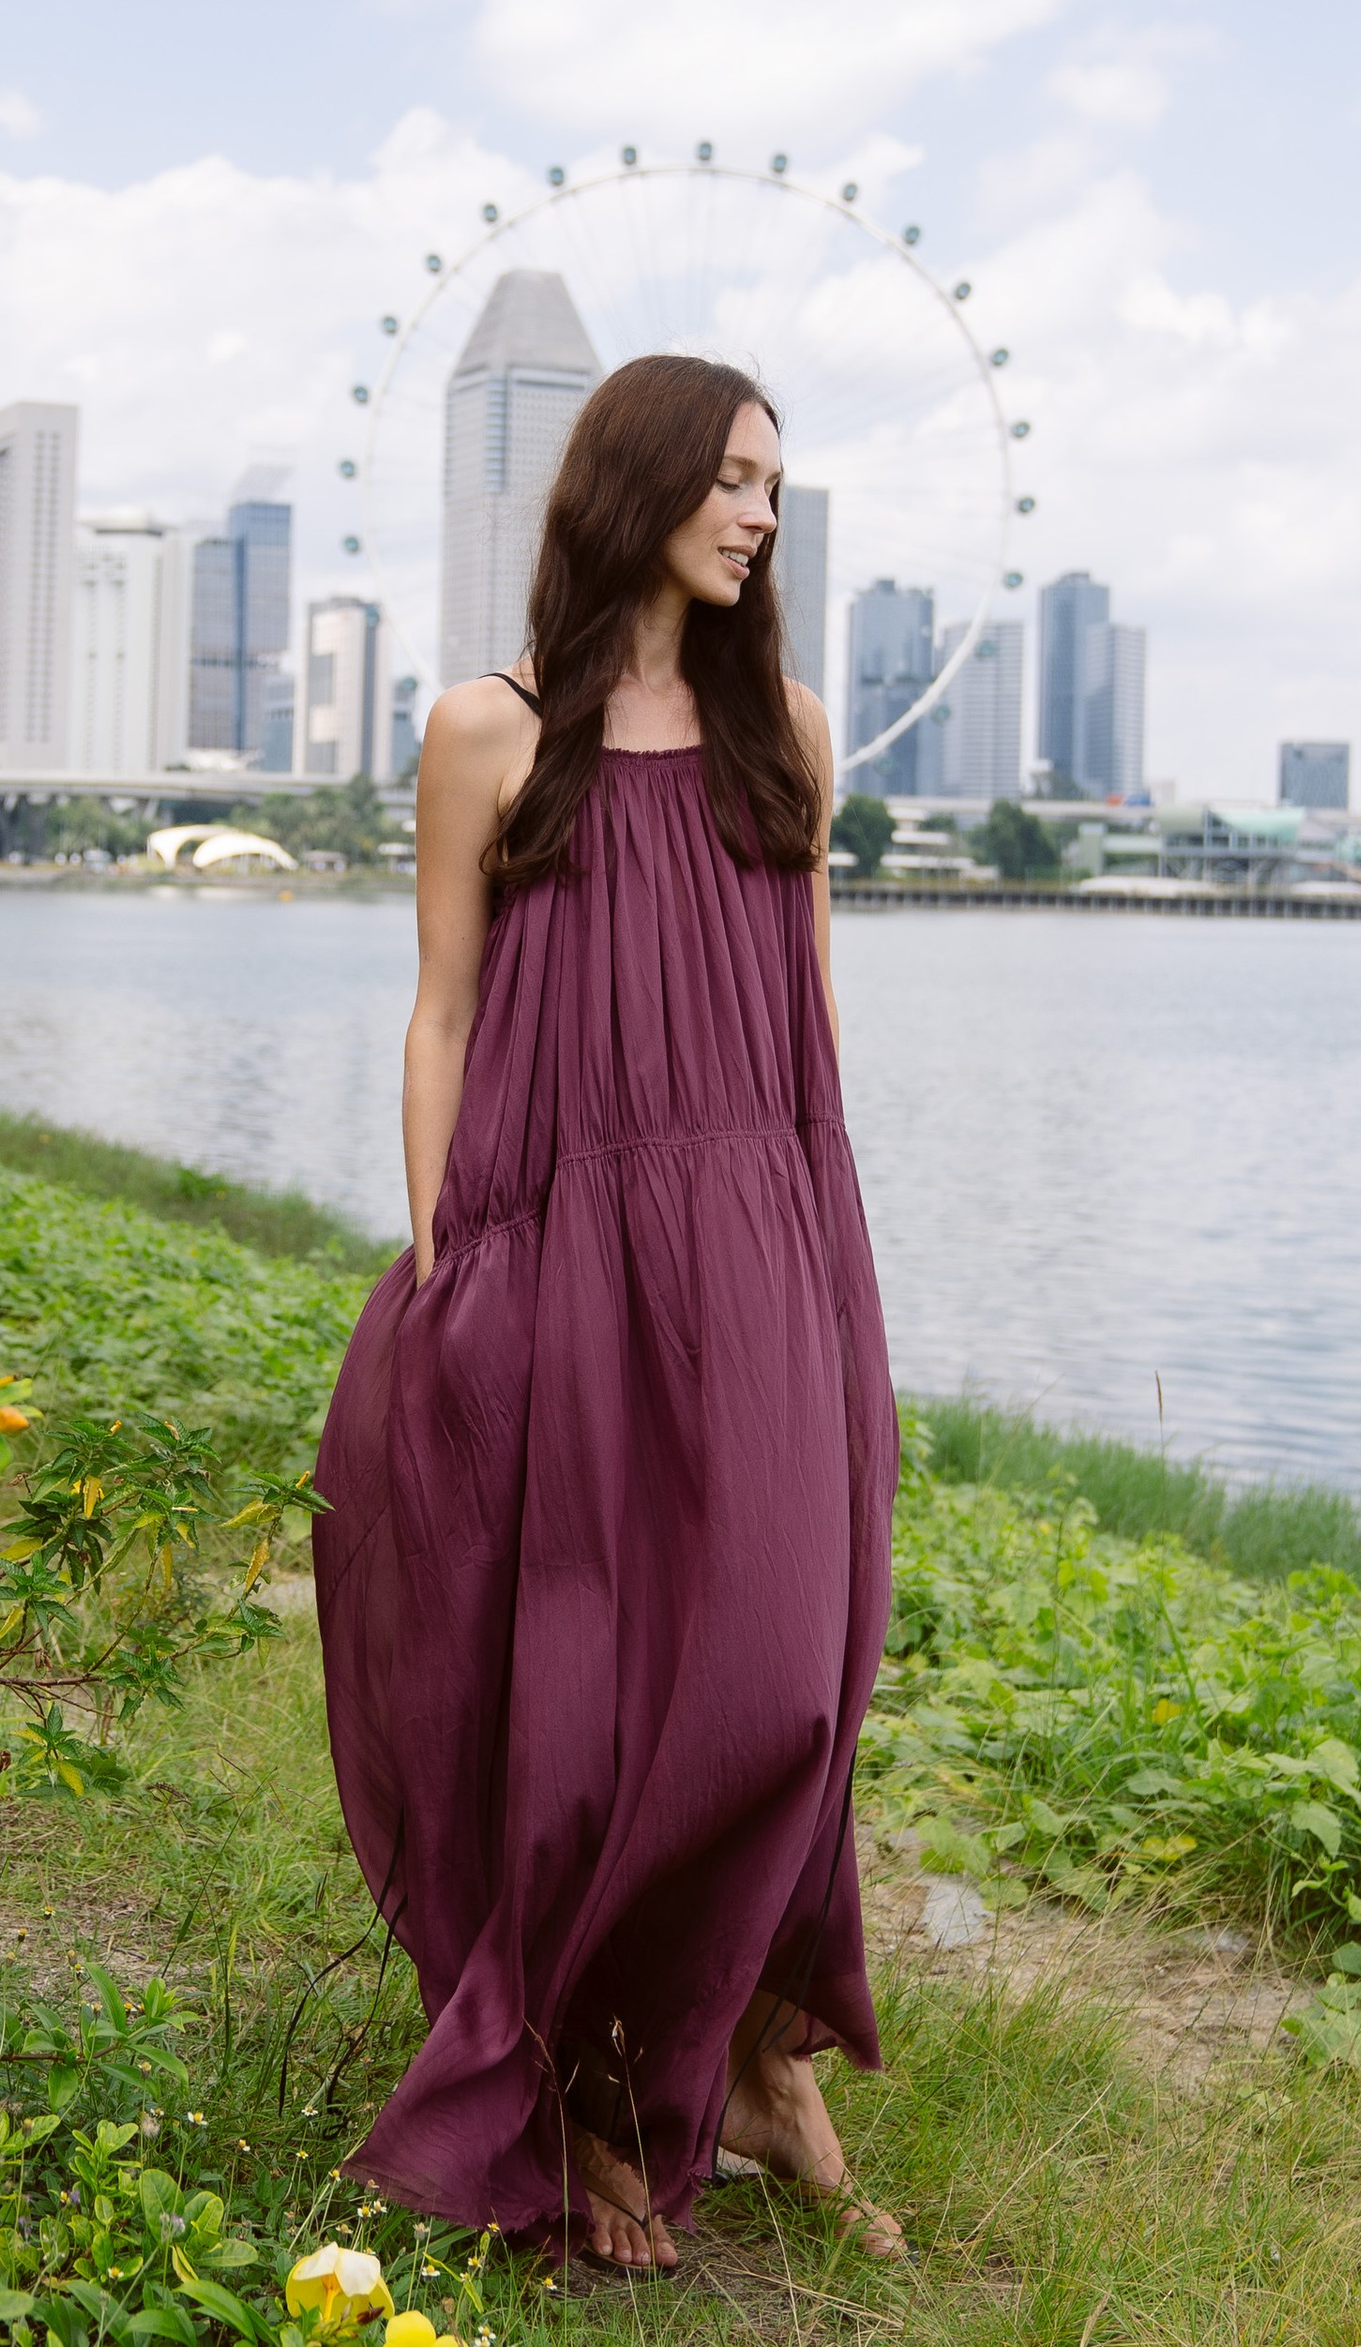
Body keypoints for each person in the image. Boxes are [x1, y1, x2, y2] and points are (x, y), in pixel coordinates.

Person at [312, 353, 902, 2270]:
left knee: (784, 1663)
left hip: (762, 1236)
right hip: (556, 1239)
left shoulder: (789, 731)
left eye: (774, 492)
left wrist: (822, 1255)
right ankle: (571, 2077)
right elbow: (445, 1010)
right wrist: (442, 1248)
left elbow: (809, 1025)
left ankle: (744, 2047)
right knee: (574, 1683)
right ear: (638, 477)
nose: (757, 515)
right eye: (732, 478)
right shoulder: (485, 730)